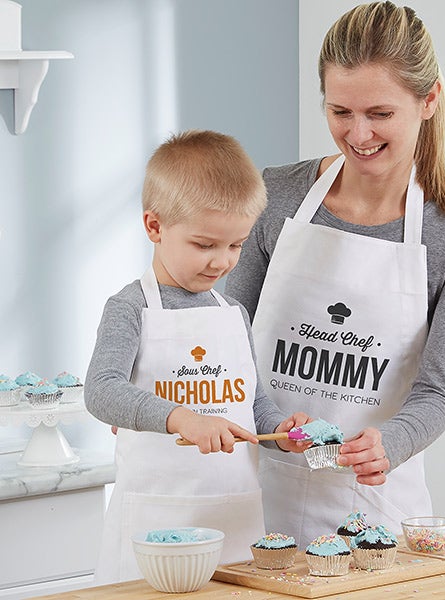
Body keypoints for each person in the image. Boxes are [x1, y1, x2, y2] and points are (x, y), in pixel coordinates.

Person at [225, 1, 445, 548]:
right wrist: (269, 424)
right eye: (340, 112)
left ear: (428, 101)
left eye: (380, 114)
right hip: (252, 491)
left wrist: (390, 443)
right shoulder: (277, 195)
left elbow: (438, 392)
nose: (358, 134)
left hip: (372, 504)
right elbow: (229, 336)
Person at [85, 130, 310, 584]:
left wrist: (280, 431)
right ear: (155, 226)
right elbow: (101, 392)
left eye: (236, 245)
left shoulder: (234, 314)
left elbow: (254, 404)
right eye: (204, 245)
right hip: (155, 526)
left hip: (235, 524)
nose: (222, 262)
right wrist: (183, 419)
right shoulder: (131, 308)